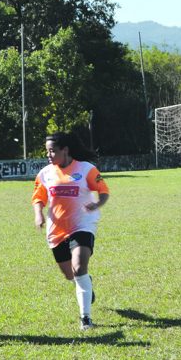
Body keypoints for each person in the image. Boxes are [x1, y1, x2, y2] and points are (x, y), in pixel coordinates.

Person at [32, 131, 110, 331]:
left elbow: (104, 191)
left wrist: (97, 204)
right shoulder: (45, 173)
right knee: (71, 276)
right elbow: (38, 196)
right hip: (56, 230)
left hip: (82, 224)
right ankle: (86, 282)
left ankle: (86, 318)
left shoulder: (86, 169)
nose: (48, 155)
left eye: (52, 151)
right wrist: (39, 214)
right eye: (47, 151)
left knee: (78, 267)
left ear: (65, 150)